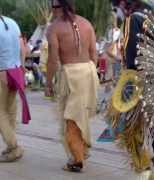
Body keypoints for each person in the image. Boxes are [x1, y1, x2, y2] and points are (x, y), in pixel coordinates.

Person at [45, 0, 99, 172]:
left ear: (60, 7)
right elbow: (93, 54)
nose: (52, 11)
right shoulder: (87, 23)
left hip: (71, 74)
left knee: (70, 119)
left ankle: (77, 160)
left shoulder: (54, 28)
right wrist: (91, 74)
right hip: (89, 71)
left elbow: (53, 60)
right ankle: (83, 150)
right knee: (81, 114)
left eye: (53, 7)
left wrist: (48, 82)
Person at [0, 15, 27, 162]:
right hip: (15, 70)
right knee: (9, 110)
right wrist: (22, 65)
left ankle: (14, 147)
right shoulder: (12, 21)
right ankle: (10, 146)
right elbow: (23, 47)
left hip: (2, 71)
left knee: (0, 112)